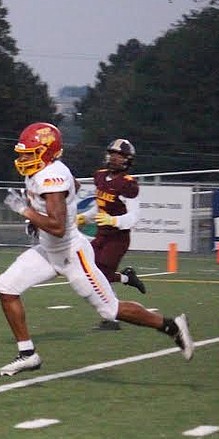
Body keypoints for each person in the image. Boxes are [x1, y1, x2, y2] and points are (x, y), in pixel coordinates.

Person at [0, 122, 193, 376]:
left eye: (29, 153)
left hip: (71, 253)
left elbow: (57, 228)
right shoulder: (44, 171)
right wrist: (44, 214)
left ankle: (170, 326)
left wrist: (26, 211)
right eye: (22, 153)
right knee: (5, 287)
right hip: (47, 251)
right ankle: (28, 354)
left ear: (47, 151)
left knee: (110, 310)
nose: (23, 158)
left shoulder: (50, 177)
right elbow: (74, 187)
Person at [81, 138, 145, 330]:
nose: (115, 159)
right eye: (113, 154)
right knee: (87, 269)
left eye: (120, 156)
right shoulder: (100, 176)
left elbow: (134, 217)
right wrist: (84, 217)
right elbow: (100, 206)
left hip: (118, 237)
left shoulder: (128, 184)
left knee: (100, 275)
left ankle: (112, 319)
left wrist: (113, 221)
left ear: (127, 160)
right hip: (101, 235)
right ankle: (126, 278)